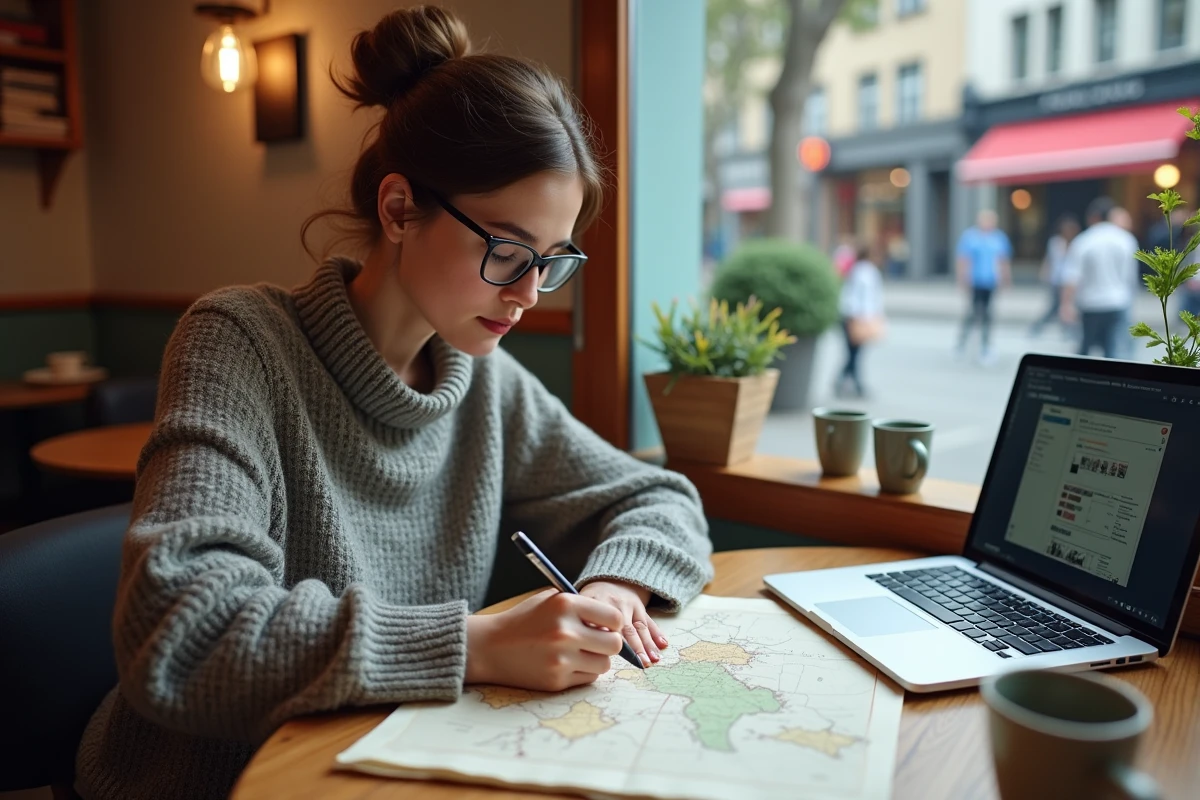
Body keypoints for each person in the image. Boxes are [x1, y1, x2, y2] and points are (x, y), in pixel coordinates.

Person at [74, 8, 713, 799]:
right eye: (506, 251)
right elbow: (183, 633)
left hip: (380, 765)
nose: (528, 295)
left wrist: (616, 589)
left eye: (551, 262)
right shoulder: (239, 342)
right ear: (400, 209)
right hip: (212, 779)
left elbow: (658, 498)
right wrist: (475, 645)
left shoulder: (483, 380)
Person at [1060, 197, 1139, 359]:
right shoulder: (1126, 239)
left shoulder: (1084, 240)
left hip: (1091, 303)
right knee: (1113, 351)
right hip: (1118, 301)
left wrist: (1066, 304)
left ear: (1093, 217)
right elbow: (1131, 276)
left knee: (1085, 349)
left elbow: (1072, 277)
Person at [954, 209, 1012, 365]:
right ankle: (961, 343)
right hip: (975, 281)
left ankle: (985, 347)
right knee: (972, 313)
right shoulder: (970, 237)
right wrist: (962, 279)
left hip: (990, 282)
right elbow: (963, 259)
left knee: (988, 315)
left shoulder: (999, 238)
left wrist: (1006, 279)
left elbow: (1003, 260)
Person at [836, 243, 885, 398]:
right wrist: (868, 317)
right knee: (854, 353)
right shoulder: (867, 272)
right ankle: (856, 384)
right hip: (858, 317)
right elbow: (866, 298)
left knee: (853, 353)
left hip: (851, 315)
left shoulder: (857, 269)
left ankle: (844, 381)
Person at [1030, 214, 1081, 338]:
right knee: (1055, 307)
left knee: (1067, 306)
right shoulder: (1055, 242)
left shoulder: (1078, 244)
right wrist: (1045, 272)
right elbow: (1049, 260)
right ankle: (1038, 327)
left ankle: (1069, 330)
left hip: (1069, 280)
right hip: (1056, 279)